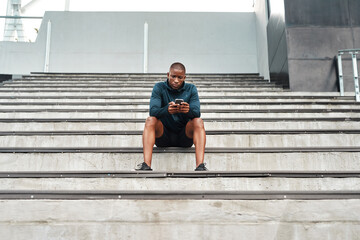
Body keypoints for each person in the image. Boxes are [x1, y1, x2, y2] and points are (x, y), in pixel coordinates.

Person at [136, 62, 207, 171]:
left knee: (198, 121)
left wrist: (188, 111)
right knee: (150, 120)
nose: (176, 80)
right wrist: (167, 110)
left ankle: (200, 166)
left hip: (185, 138)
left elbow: (197, 112)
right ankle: (146, 165)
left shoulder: (191, 89)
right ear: (168, 74)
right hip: (163, 137)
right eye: (173, 76)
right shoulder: (159, 87)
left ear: (184, 77)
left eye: (180, 77)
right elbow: (153, 111)